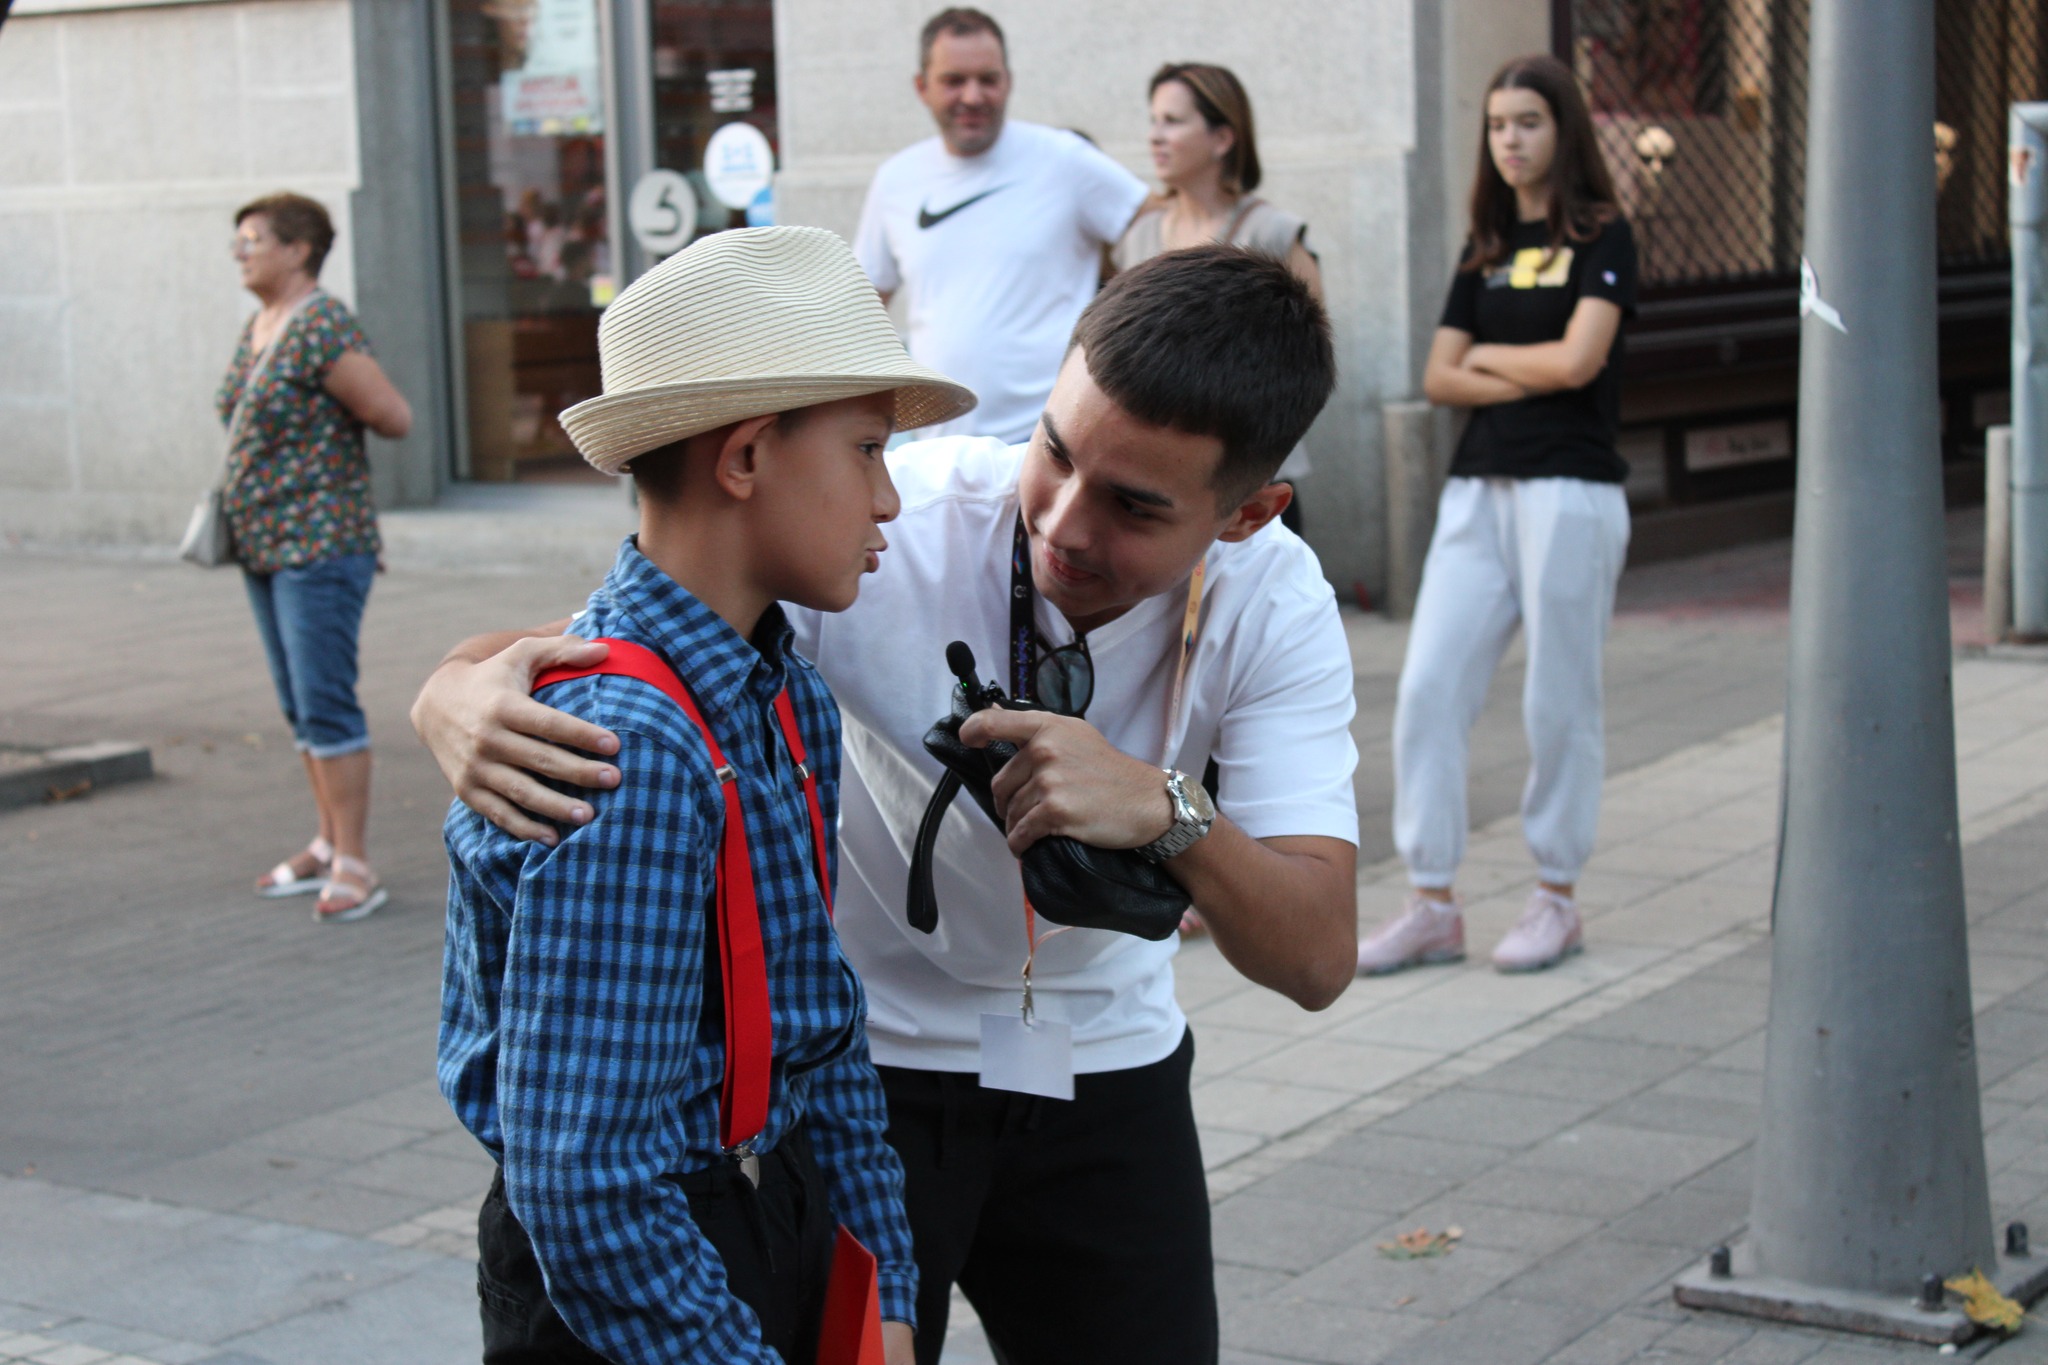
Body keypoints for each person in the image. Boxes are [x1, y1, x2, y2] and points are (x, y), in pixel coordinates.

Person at [413, 247, 1358, 1365]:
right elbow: (623, 654)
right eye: (1054, 450)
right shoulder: (878, 539)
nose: (1062, 522)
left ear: (1247, 514)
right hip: (865, 1076)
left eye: (1133, 506)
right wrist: (451, 688)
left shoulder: (1271, 600)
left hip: (1092, 1062)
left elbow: (1315, 957)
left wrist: (1166, 807)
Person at [440, 227, 971, 1364]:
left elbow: (819, 1031)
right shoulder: (625, 752)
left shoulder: (784, 696)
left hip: (769, 1208)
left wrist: (882, 1285)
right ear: (744, 458)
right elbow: (586, 1185)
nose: (888, 498)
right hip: (633, 1278)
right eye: (867, 450)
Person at [1354, 54, 1637, 977]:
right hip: (1478, 490)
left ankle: (1557, 893)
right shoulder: (1484, 245)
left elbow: (1580, 363)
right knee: (1429, 687)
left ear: (1563, 130)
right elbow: (1439, 377)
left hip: (1572, 490)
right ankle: (1432, 902)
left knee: (1560, 697)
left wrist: (1491, 364)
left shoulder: (1603, 235)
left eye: (1529, 122)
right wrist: (1530, 367)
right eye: (1498, 124)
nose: (1511, 140)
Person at [228, 192, 412, 923]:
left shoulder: (322, 325)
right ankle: (326, 841)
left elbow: (393, 415)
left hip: (321, 544)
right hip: (263, 543)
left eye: (252, 240)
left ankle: (356, 862)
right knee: (298, 703)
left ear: (298, 249)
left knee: (326, 701)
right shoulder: (261, 325)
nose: (240, 252)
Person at [852, 7, 1149, 444]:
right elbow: (863, 309)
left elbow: (1159, 225)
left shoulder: (1063, 159)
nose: (973, 96)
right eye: (954, 80)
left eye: (988, 79)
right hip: (939, 450)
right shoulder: (896, 179)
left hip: (1051, 445)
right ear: (922, 87)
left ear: (1008, 81)